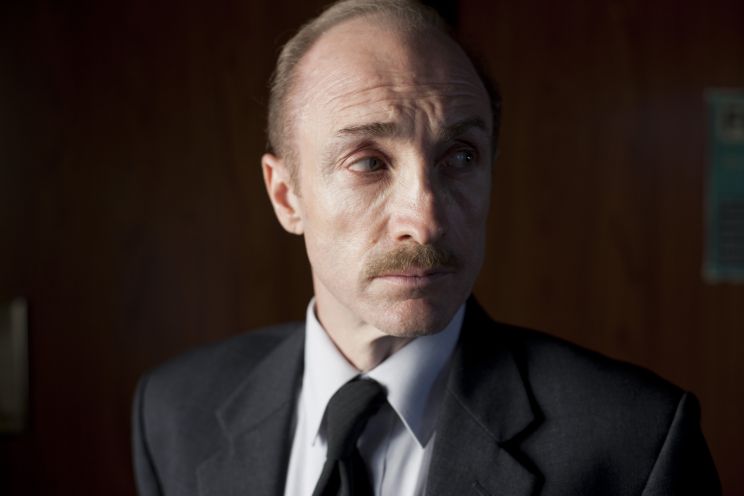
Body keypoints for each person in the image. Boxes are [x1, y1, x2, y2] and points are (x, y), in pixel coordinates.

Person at [131, 1, 721, 494]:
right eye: (368, 162)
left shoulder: (636, 444)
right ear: (287, 196)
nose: (426, 219)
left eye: (460, 157)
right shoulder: (174, 412)